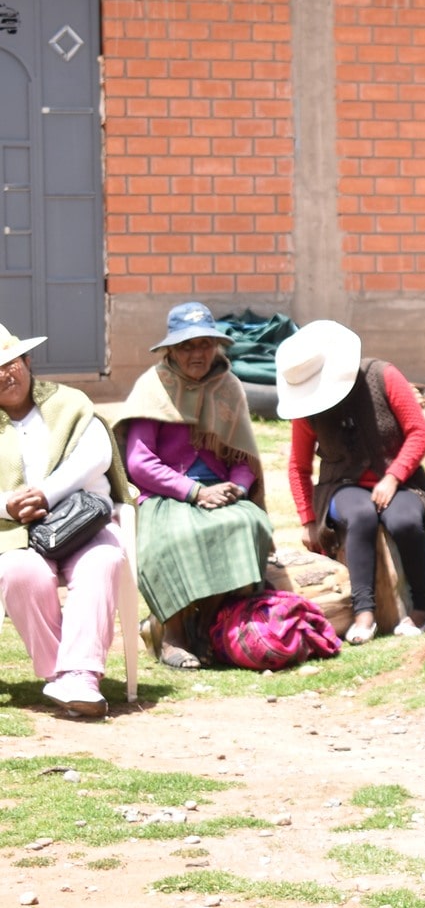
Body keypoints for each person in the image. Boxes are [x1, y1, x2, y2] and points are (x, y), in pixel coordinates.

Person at [104, 302, 272, 669]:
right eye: (186, 346)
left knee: (248, 524)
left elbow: (245, 457)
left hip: (220, 489)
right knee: (176, 536)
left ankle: (204, 624)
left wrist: (237, 490)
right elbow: (138, 462)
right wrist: (194, 492)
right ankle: (173, 635)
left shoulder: (229, 386)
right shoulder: (153, 387)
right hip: (167, 493)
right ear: (171, 350)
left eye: (205, 344)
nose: (197, 353)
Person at [279, 320, 425, 645]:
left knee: (405, 519)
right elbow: (298, 467)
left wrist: (394, 476)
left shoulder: (383, 376)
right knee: (362, 516)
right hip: (340, 485)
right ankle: (363, 612)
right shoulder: (307, 409)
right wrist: (308, 521)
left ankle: (421, 609)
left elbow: (419, 432)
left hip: (402, 481)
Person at [0, 326, 132, 719]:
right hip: (15, 532)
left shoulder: (68, 402)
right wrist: (8, 505)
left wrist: (45, 494)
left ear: (26, 362)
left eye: (10, 363)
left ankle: (80, 676)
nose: (5, 374)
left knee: (103, 561)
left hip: (81, 521)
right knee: (19, 572)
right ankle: (65, 674)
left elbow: (96, 455)